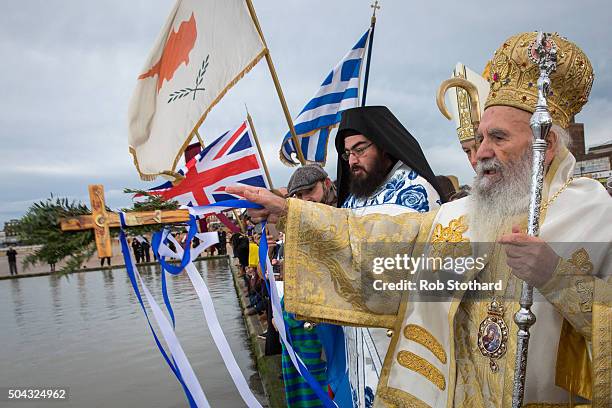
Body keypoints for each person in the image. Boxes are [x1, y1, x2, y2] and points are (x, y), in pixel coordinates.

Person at [229, 32, 612, 407]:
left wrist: (554, 277)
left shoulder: (594, 215)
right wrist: (292, 213)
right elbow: (381, 240)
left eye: (498, 138)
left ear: (547, 148)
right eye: (480, 139)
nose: (480, 154)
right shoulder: (463, 214)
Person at [333, 105, 445, 407]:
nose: (353, 161)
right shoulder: (353, 198)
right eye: (347, 154)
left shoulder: (415, 190)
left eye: (360, 149)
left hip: (403, 338)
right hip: (360, 341)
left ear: (383, 145)